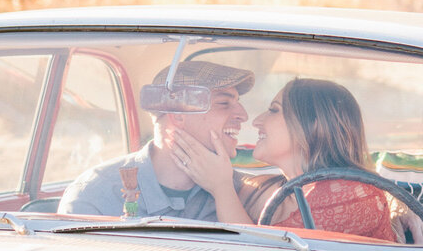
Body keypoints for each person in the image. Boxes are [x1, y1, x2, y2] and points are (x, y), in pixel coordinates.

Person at [175, 77, 399, 241]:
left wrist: (221, 189)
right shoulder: (268, 187)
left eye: (274, 110)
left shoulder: (356, 196)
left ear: (313, 125)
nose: (257, 121)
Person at [58, 60, 254, 221]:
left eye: (238, 104)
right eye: (224, 103)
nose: (243, 115)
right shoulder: (95, 197)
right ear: (179, 114)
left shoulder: (240, 193)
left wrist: (224, 191)